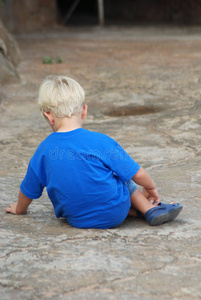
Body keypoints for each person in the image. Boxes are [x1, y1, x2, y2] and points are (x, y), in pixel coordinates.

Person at [5, 75, 183, 229]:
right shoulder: (100, 141)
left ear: (48, 116)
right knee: (121, 176)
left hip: (76, 218)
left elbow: (28, 189)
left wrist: (19, 210)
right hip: (115, 213)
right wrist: (150, 188)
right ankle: (149, 209)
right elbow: (137, 173)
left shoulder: (43, 150)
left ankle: (136, 212)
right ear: (84, 111)